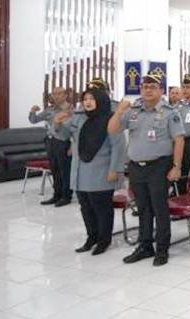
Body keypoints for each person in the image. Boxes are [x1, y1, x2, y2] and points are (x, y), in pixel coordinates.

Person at [107, 72, 185, 267]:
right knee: (142, 209)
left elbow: (179, 140)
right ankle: (145, 246)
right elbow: (112, 129)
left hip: (158, 166)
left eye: (152, 87)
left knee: (159, 208)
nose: (148, 90)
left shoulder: (170, 112)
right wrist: (119, 111)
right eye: (144, 87)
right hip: (136, 166)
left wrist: (176, 166)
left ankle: (162, 248)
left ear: (161, 90)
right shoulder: (133, 111)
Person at [54, 87, 126, 255]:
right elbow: (65, 136)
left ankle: (104, 240)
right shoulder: (79, 119)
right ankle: (91, 237)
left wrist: (115, 169)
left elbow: (118, 146)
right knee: (85, 207)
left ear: (100, 100)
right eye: (85, 98)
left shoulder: (111, 119)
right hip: (80, 172)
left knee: (101, 208)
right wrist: (57, 123)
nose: (87, 102)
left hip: (101, 171)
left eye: (92, 99)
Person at [29, 87, 74, 207]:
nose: (56, 96)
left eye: (59, 93)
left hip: (64, 142)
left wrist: (73, 146)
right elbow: (34, 120)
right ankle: (56, 195)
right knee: (55, 170)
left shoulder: (71, 110)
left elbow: (76, 130)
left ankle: (66, 196)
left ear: (65, 95)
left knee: (65, 170)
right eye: (54, 94)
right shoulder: (50, 110)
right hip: (50, 142)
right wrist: (32, 111)